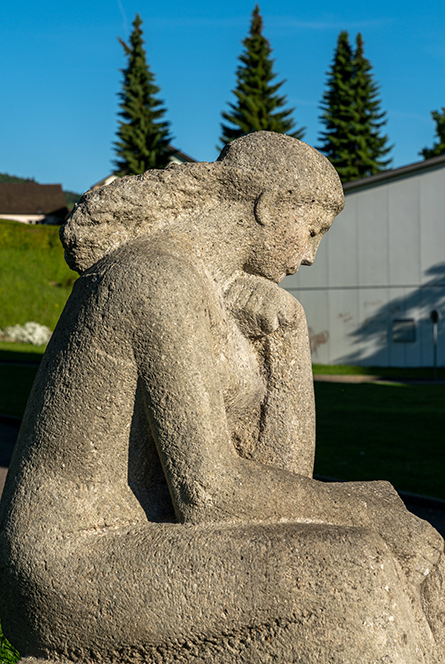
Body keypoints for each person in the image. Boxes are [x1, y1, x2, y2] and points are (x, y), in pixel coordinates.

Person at [0, 132, 443, 662]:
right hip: (70, 562)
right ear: (271, 206)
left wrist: (288, 338)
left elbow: (283, 480)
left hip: (148, 537)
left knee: (419, 548)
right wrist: (360, 506)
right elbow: (210, 495)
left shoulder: (219, 298)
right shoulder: (153, 279)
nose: (309, 256)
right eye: (312, 230)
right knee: (360, 569)